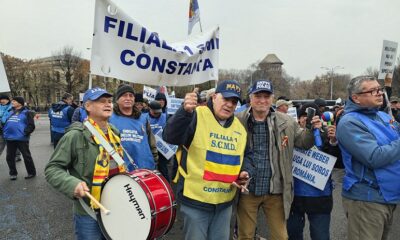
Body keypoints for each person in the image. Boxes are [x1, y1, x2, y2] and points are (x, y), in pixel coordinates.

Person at [235, 79, 322, 240]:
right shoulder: (237, 120)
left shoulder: (286, 121)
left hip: (275, 191)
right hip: (248, 190)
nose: (262, 100)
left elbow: (303, 143)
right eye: (258, 96)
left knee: (281, 237)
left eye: (266, 96)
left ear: (272, 98)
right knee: (245, 236)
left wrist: (310, 128)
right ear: (250, 98)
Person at [163, 80, 249, 240]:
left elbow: (244, 157)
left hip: (224, 203)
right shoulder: (196, 114)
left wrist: (245, 172)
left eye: (234, 101)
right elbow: (170, 136)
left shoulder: (239, 128)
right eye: (226, 99)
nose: (230, 105)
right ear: (214, 97)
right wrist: (184, 112)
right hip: (196, 202)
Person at [45, 87, 125, 239]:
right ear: (88, 106)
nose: (108, 104)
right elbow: (52, 169)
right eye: (102, 101)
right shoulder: (75, 135)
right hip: (89, 210)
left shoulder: (114, 132)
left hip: (115, 203)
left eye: (109, 101)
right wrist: (72, 184)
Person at [336, 75, 400, 240]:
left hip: (387, 196)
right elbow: (374, 157)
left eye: (379, 89)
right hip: (366, 200)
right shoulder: (349, 123)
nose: (379, 93)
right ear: (356, 98)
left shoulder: (383, 116)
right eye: (372, 91)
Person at [287, 103, 339, 240]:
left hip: (320, 197)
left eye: (311, 117)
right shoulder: (289, 135)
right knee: (293, 235)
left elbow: (338, 162)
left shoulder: (325, 135)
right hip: (294, 197)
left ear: (318, 119)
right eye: (304, 116)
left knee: (320, 236)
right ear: (298, 119)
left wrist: (333, 141)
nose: (307, 119)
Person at [109, 84, 158, 171]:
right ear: (117, 99)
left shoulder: (143, 119)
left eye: (131, 95)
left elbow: (151, 142)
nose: (128, 98)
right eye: (124, 95)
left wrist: (155, 160)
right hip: (121, 169)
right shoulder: (109, 119)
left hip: (144, 167)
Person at [3, 96, 36, 180]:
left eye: (14, 101)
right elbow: (6, 122)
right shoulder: (10, 111)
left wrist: (25, 133)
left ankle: (31, 172)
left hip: (21, 138)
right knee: (9, 157)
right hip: (9, 138)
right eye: (12, 101)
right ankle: (13, 173)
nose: (12, 102)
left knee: (26, 156)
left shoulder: (27, 112)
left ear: (19, 103)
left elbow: (31, 125)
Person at [146, 100, 170, 181]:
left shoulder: (165, 116)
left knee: (163, 170)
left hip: (162, 149)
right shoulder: (144, 117)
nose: (157, 114)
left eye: (159, 112)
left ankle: (167, 186)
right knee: (150, 170)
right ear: (150, 109)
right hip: (149, 149)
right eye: (155, 113)